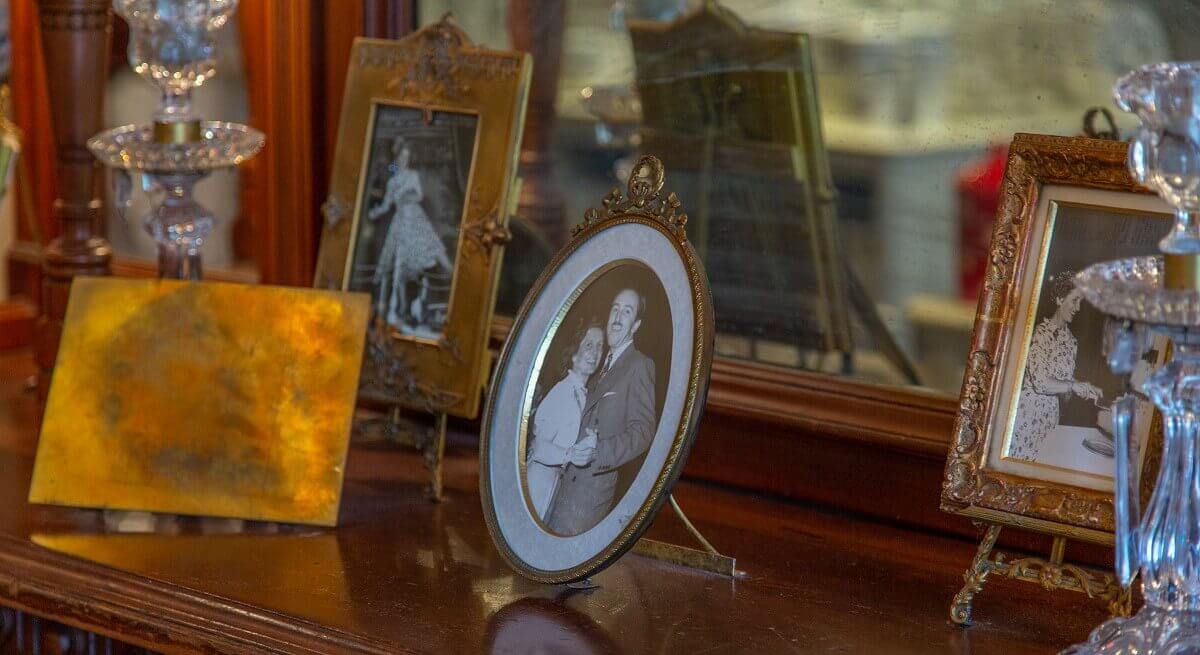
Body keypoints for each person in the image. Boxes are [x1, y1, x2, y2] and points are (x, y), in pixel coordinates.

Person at [546, 287, 657, 536]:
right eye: (615, 309)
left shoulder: (640, 365)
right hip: (559, 483)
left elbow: (643, 431)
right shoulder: (596, 361)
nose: (617, 317)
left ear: (636, 325)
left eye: (626, 312)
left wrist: (599, 452)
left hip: (588, 496)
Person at [368, 136, 453, 331]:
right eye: (401, 157)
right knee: (399, 268)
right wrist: (375, 212)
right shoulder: (392, 181)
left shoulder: (413, 175)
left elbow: (419, 195)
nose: (404, 161)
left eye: (407, 157)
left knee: (435, 254)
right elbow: (386, 205)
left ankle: (447, 292)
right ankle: (400, 310)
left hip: (416, 219)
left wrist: (406, 196)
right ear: (397, 159)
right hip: (401, 223)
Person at [1011, 286, 1102, 460]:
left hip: (1051, 418)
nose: (1078, 308)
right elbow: (1040, 382)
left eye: (1081, 303)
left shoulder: (1071, 341)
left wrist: (1084, 386)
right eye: (1074, 300)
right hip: (1028, 418)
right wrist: (1072, 386)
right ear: (1060, 299)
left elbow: (1063, 378)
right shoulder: (1040, 334)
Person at [525, 321, 604, 520]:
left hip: (554, 481)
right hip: (539, 480)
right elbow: (539, 448)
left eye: (600, 346)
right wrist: (571, 454)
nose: (595, 352)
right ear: (574, 354)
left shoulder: (581, 394)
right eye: (589, 345)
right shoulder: (562, 392)